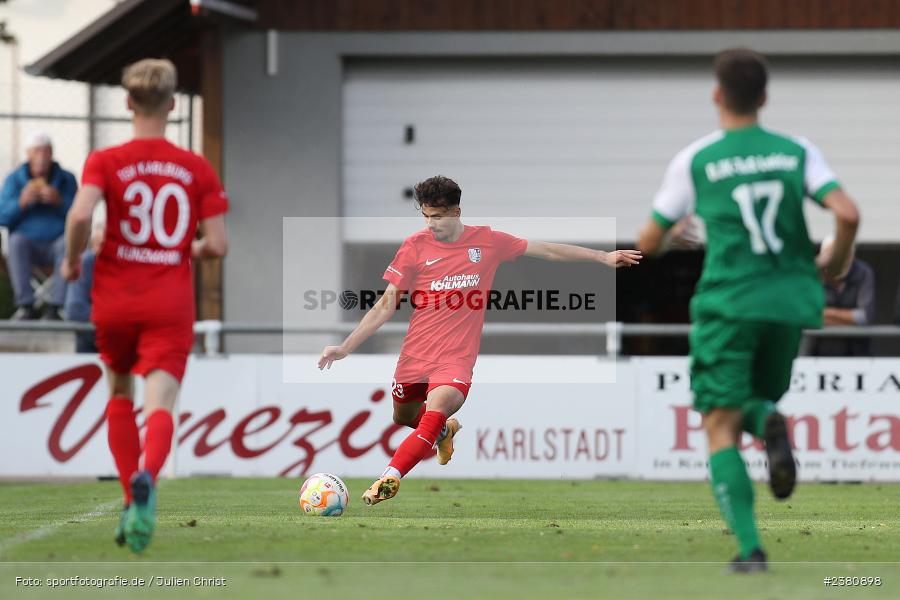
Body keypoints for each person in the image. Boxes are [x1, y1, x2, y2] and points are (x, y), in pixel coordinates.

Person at [637, 48, 859, 573]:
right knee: (755, 399)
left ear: (718, 95)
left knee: (719, 424)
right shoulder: (796, 150)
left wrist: (675, 236)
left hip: (730, 302)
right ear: (763, 97)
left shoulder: (698, 159)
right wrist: (836, 264)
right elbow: (847, 212)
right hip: (790, 304)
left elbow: (647, 242)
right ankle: (771, 421)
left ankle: (751, 551)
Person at [318, 175, 641, 506]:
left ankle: (389, 477)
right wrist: (345, 346)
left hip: (456, 358)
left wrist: (602, 257)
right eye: (426, 216)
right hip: (415, 355)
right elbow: (386, 304)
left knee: (435, 411)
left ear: (457, 211)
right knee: (403, 417)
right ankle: (446, 432)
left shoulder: (488, 241)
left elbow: (546, 251)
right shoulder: (414, 247)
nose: (432, 224)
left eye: (438, 217)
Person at [61, 59, 229, 553]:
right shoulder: (195, 167)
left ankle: (128, 497)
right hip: (167, 303)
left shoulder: (105, 159)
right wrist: (184, 248)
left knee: (118, 392)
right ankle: (147, 482)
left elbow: (79, 214)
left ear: (128, 102)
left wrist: (73, 261)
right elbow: (218, 244)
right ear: (174, 105)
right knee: (160, 404)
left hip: (113, 300)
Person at [0, 132, 77, 320]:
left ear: (52, 154)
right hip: (27, 244)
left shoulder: (67, 179)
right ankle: (26, 305)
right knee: (16, 242)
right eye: (37, 152)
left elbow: (79, 215)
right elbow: (2, 217)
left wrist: (59, 201)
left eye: (46, 152)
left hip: (56, 242)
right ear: (29, 155)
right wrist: (21, 202)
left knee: (68, 245)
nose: (42, 158)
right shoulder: (14, 180)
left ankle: (56, 307)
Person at [809, 237, 875, 356]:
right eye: (833, 256)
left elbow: (864, 317)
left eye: (844, 256)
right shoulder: (812, 274)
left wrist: (824, 314)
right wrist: (848, 318)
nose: (839, 262)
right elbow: (808, 315)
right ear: (823, 257)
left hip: (858, 356)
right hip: (817, 355)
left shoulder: (863, 272)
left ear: (852, 257)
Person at [64, 202, 106, 352]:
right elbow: (75, 308)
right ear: (93, 245)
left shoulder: (130, 265)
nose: (105, 251)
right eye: (101, 245)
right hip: (93, 337)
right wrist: (112, 315)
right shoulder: (87, 262)